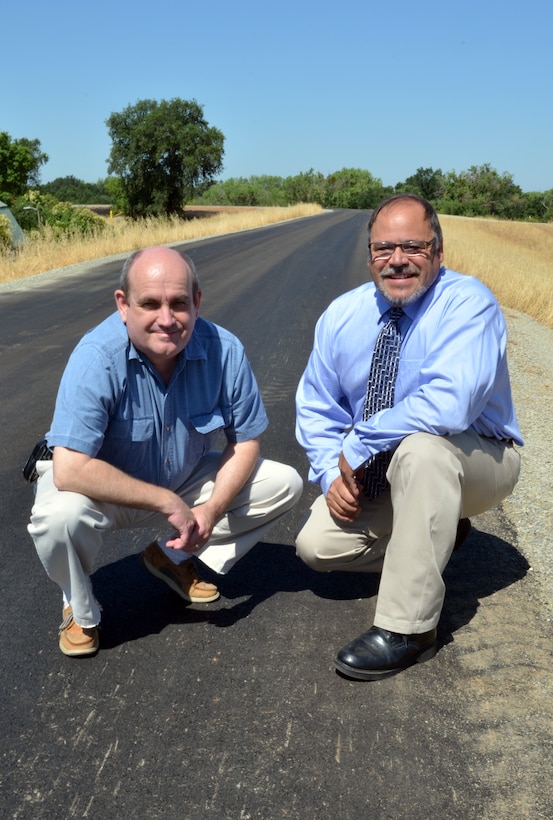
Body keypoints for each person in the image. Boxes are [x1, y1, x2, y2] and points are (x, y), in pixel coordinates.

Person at [28, 246, 303, 657]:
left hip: (183, 477)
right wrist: (164, 500)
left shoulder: (225, 351)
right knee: (57, 518)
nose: (166, 319)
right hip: (102, 491)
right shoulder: (95, 357)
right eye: (150, 304)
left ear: (196, 301)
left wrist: (208, 513)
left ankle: (172, 556)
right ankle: (78, 606)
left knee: (284, 483)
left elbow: (245, 441)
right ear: (123, 305)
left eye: (178, 303)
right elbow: (69, 470)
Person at [295, 193, 522, 681]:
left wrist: (357, 445)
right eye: (383, 249)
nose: (397, 260)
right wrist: (328, 474)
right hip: (391, 467)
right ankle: (438, 534)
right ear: (370, 255)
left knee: (421, 450)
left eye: (412, 247)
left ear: (438, 252)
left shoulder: (467, 302)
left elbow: (450, 406)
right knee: (316, 546)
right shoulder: (342, 315)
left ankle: (409, 628)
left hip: (478, 457)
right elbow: (316, 406)